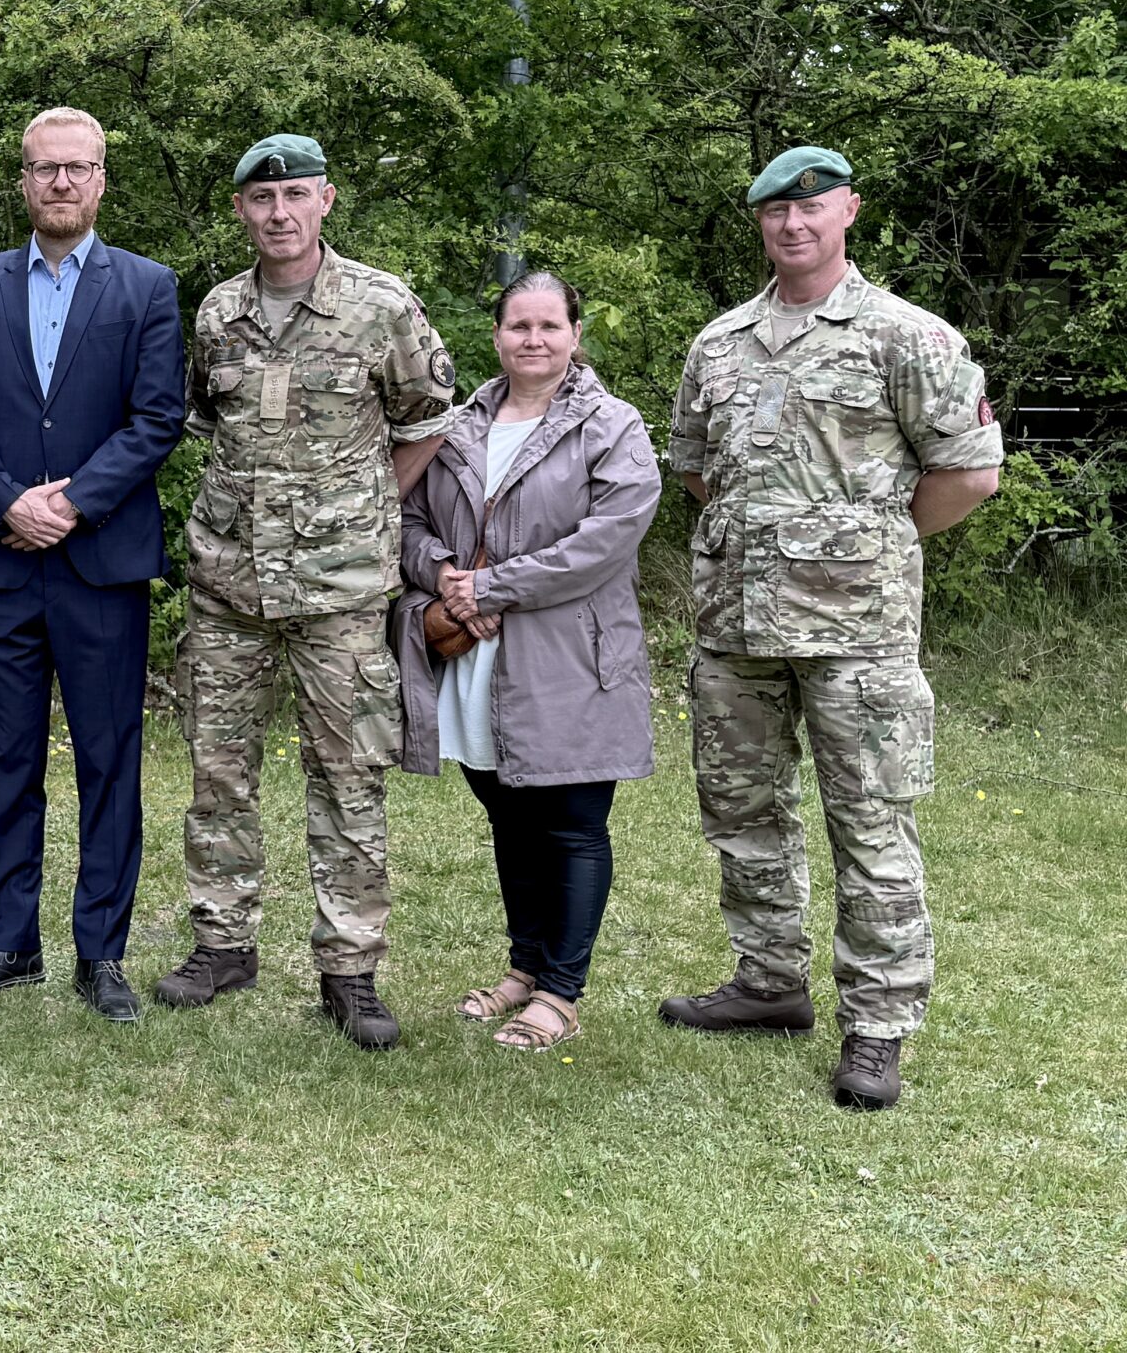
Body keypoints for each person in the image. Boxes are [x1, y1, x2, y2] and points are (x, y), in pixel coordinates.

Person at [664, 146, 1001, 1111]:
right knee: (743, 814)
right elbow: (697, 467)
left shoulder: (906, 336)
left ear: (849, 210)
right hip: (737, 628)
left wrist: (868, 546)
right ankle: (769, 983)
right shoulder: (720, 343)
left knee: (870, 821)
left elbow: (969, 472)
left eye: (813, 207)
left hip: (859, 635)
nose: (794, 224)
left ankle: (878, 1027)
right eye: (776, 211)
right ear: (761, 222)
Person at [158, 133, 455, 1048]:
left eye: (295, 196)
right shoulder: (216, 312)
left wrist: (364, 508)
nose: (278, 214)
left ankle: (350, 970)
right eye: (260, 200)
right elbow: (204, 418)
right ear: (241, 211)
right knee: (218, 773)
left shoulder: (379, 307)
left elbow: (428, 421)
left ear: (327, 200)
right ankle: (222, 941)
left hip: (338, 590)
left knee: (347, 777)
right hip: (229, 583)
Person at [0, 106, 184, 1023]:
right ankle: (8, 942)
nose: (61, 183)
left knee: (110, 762)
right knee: (8, 758)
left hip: (100, 564)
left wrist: (69, 502)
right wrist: (9, 502)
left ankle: (101, 952)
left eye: (78, 168)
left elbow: (157, 417)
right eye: (45, 169)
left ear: (103, 179)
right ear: (23, 181)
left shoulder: (147, 289)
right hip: (2, 559)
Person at [395, 272, 661, 1051]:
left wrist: (492, 586)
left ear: (576, 334)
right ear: (497, 336)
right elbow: (406, 516)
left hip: (569, 657)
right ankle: (524, 967)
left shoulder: (612, 426)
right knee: (508, 814)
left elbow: (605, 541)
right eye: (519, 326)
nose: (534, 339)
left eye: (550, 325)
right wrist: (439, 571)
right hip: (476, 657)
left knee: (571, 823)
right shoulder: (458, 425)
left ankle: (561, 992)